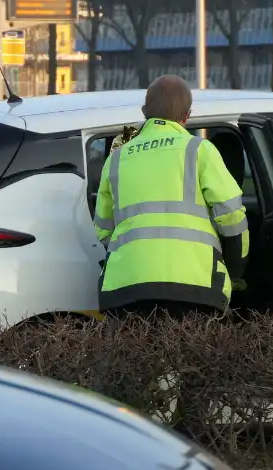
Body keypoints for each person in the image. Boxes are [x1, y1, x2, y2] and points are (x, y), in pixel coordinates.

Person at [93, 74, 250, 322]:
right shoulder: (199, 150)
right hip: (194, 288)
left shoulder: (116, 158)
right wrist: (234, 268)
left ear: (145, 112)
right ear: (187, 116)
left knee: (130, 360)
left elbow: (103, 229)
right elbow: (232, 216)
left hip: (125, 290)